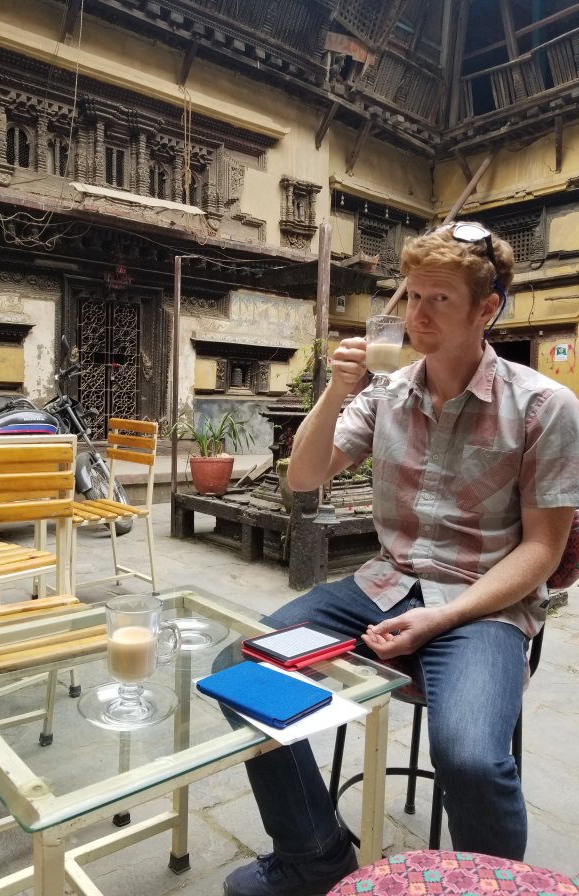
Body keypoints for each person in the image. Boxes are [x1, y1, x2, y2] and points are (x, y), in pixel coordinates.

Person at [223, 223, 579, 896]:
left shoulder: (543, 406)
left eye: (440, 299)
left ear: (486, 308)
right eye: (413, 296)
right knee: (241, 670)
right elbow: (304, 477)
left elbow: (543, 548)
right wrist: (336, 389)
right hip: (383, 587)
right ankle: (314, 856)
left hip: (485, 603)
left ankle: (492, 886)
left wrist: (440, 620)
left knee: (470, 758)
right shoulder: (387, 394)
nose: (417, 315)